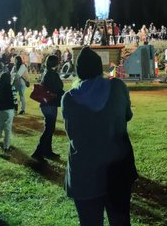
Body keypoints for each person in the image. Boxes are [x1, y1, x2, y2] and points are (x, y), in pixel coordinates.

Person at [62, 46, 137, 226]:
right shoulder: (117, 87)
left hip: (84, 172)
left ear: (78, 70)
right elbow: (128, 115)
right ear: (99, 67)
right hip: (118, 169)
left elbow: (71, 133)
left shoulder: (69, 98)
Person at [31, 54, 64, 161]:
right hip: (49, 104)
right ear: (56, 63)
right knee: (49, 129)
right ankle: (38, 152)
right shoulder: (51, 74)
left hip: (48, 104)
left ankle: (47, 151)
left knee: (50, 128)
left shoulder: (48, 72)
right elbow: (57, 88)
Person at [0, 72, 17, 154]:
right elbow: (15, 99)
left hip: (0, 111)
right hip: (9, 110)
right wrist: (15, 109)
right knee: (8, 130)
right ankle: (6, 147)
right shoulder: (12, 87)